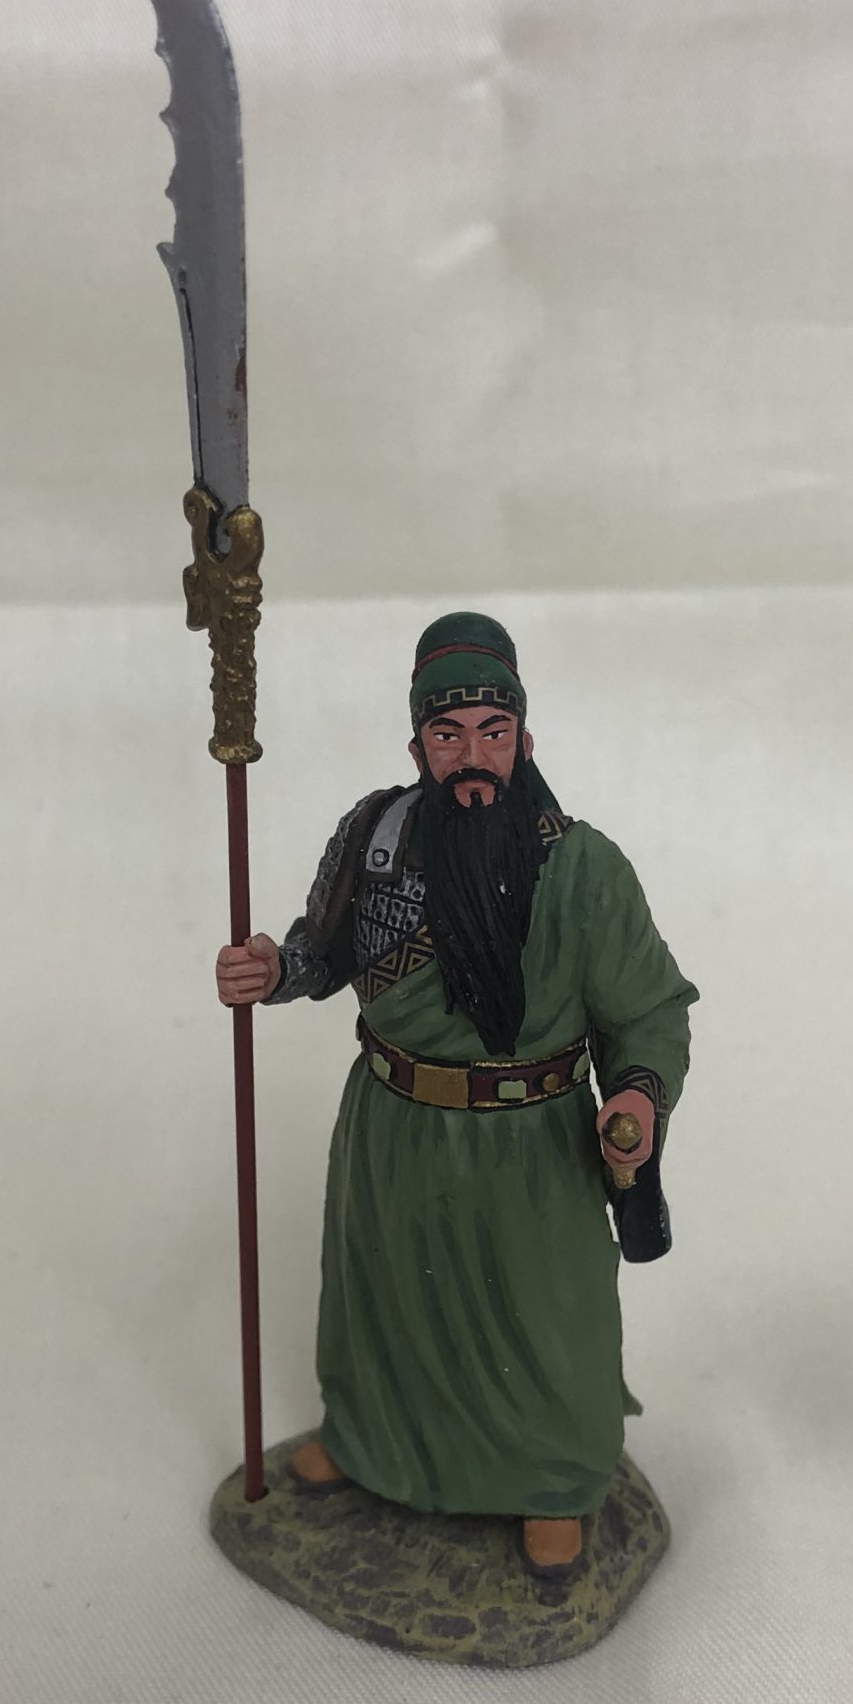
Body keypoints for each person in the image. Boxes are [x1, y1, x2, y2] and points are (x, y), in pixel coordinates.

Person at [214, 613, 697, 1584]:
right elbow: (324, 949)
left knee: (543, 1320)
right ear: (417, 747)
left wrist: (637, 1101)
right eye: (447, 733)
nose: (471, 756)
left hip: (532, 1146)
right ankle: (368, 1441)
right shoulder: (374, 839)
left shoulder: (583, 867)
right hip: (392, 1127)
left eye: (492, 731)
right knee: (384, 1299)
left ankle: (553, 1479)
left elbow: (647, 1010)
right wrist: (274, 968)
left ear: (524, 738)